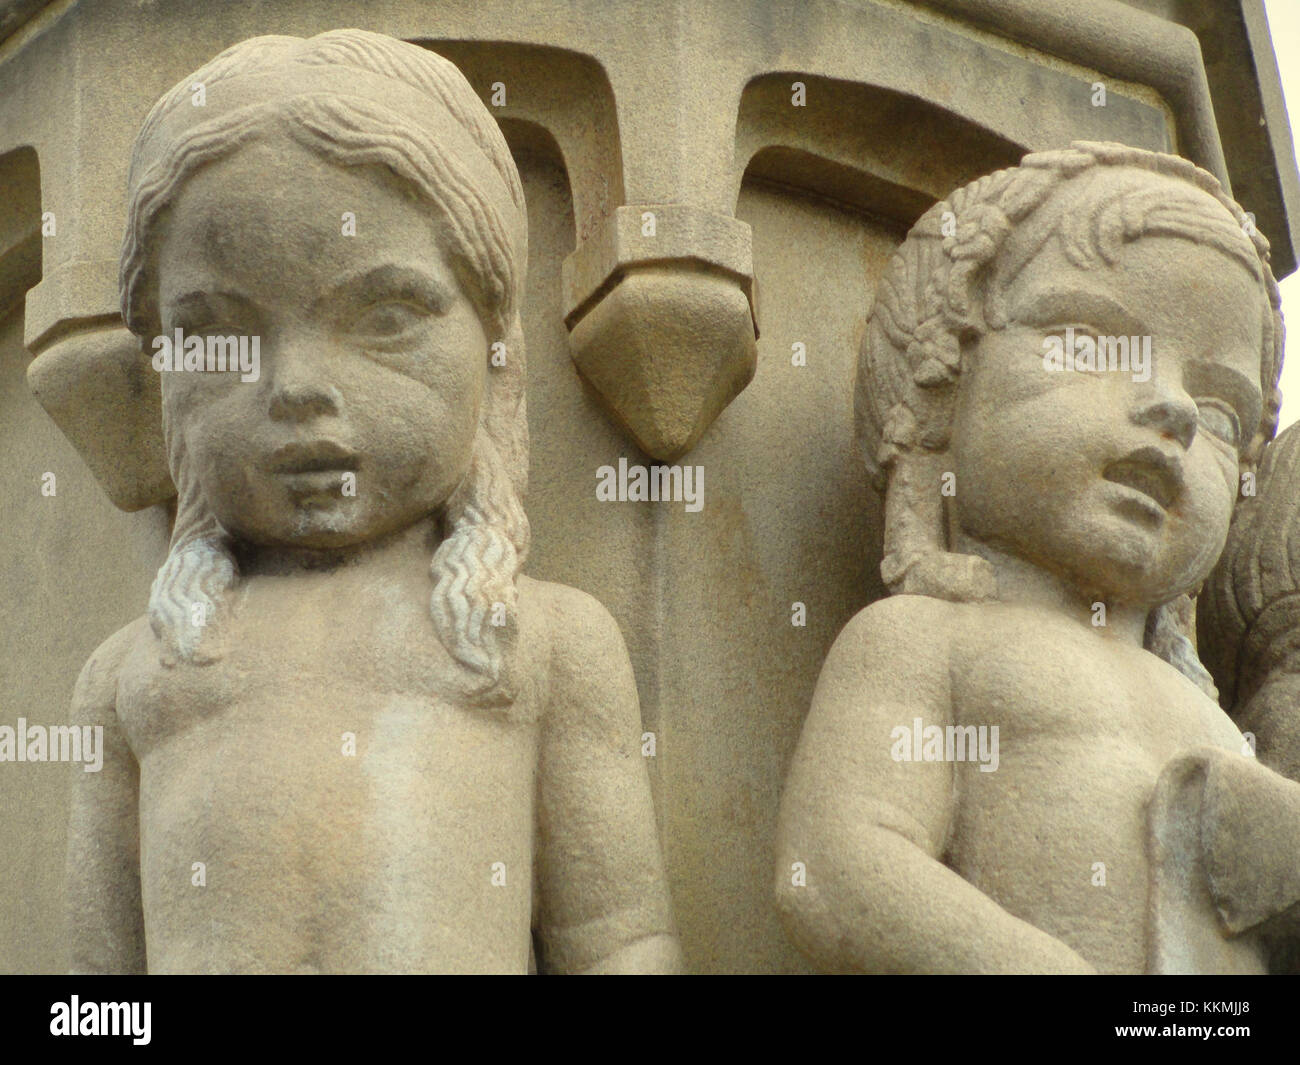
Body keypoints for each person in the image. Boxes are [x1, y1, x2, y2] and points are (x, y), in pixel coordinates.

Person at [65, 29, 679, 975]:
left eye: (384, 317)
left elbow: (621, 942)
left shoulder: (544, 643)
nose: (295, 387)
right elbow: (94, 987)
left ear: (497, 354)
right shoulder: (132, 678)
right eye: (219, 334)